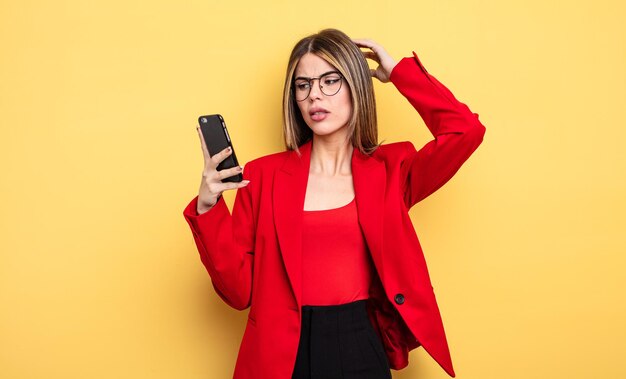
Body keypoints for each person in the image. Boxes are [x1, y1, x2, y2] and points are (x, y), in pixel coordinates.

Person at [183, 28, 485, 379]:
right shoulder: (262, 176)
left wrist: (401, 75)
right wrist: (208, 207)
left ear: (356, 86)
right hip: (282, 354)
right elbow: (238, 292)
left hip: (360, 343)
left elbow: (465, 131)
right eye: (303, 85)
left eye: (330, 81)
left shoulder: (392, 169)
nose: (315, 96)